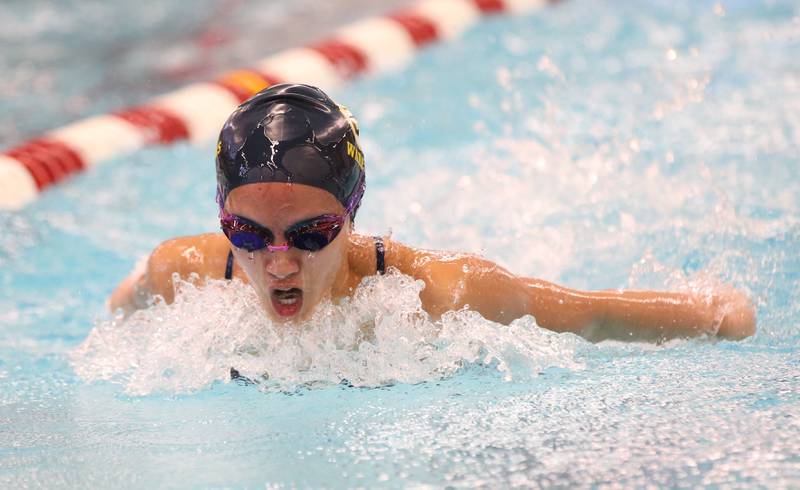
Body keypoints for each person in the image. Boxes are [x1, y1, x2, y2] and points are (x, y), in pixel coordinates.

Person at [108, 83, 756, 342]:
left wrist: (718, 316)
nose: (278, 259)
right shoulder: (184, 273)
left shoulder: (439, 293)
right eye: (248, 232)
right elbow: (118, 313)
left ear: (351, 218)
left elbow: (590, 313)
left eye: (311, 234)